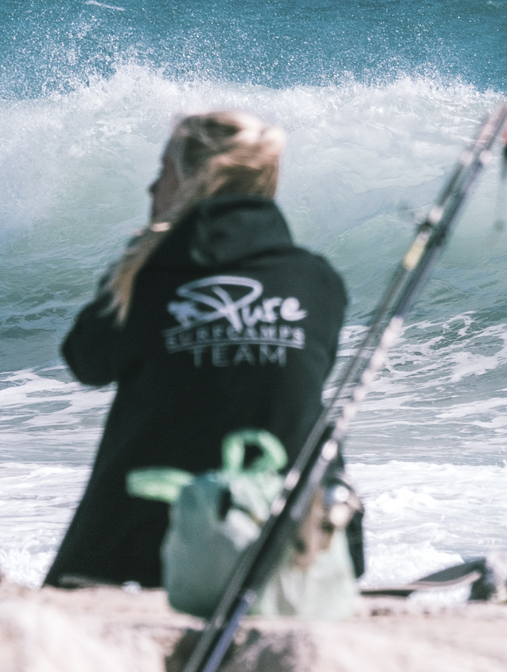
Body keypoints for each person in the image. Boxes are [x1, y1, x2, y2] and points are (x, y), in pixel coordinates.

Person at [44, 111, 352, 589]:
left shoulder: (146, 277)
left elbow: (86, 361)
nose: (151, 189)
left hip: (146, 543)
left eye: (162, 173)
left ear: (190, 181)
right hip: (291, 538)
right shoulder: (316, 281)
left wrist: (135, 262)